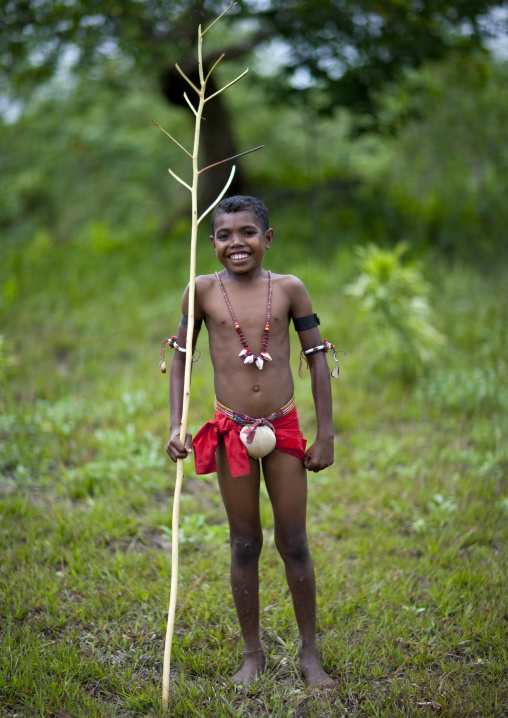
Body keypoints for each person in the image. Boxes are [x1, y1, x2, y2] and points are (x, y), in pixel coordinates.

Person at [166, 195, 337, 690]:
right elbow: (180, 357)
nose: (236, 243)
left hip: (282, 430)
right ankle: (252, 654)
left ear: (268, 238)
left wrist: (325, 434)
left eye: (247, 233)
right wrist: (177, 424)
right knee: (244, 542)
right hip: (229, 433)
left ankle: (309, 653)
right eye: (223, 235)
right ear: (212, 242)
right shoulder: (199, 291)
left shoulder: (289, 290)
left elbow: (318, 357)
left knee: (294, 541)